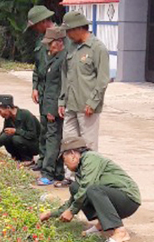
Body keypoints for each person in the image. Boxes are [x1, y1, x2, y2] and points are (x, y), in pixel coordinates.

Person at [41, 137, 138, 242]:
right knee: (75, 188)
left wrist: (72, 211)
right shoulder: (80, 168)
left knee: (92, 190)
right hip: (114, 199)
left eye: (64, 159)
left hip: (128, 199)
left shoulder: (91, 158)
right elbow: (75, 198)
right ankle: (102, 224)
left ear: (72, 154)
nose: (65, 164)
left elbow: (87, 188)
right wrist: (51, 214)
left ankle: (120, 232)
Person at [59, 11, 109, 154]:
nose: (67, 35)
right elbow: (65, 74)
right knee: (69, 142)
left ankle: (89, 175)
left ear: (79, 28)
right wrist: (62, 101)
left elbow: (103, 79)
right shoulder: (71, 47)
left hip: (87, 106)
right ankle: (70, 176)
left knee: (88, 145)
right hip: (70, 104)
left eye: (69, 31)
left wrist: (93, 102)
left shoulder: (97, 48)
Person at [26, 5, 56, 171]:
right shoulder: (40, 40)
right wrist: (35, 87)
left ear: (43, 22)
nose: (35, 30)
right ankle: (42, 160)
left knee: (53, 132)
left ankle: (51, 167)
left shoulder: (60, 37)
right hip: (43, 91)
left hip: (54, 91)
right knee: (44, 128)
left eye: (35, 25)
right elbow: (37, 67)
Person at [36, 26, 67, 186]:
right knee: (52, 138)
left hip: (54, 108)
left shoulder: (63, 60)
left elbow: (59, 88)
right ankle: (57, 172)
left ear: (59, 42)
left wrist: (52, 110)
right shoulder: (52, 57)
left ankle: (48, 173)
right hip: (47, 104)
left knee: (53, 140)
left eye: (51, 44)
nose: (48, 47)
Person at [0, 95, 40, 162]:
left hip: (35, 144)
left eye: (0, 111)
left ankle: (28, 159)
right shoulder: (8, 118)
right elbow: (3, 134)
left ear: (8, 108)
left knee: (16, 139)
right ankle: (17, 157)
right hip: (22, 141)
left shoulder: (26, 114)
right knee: (6, 136)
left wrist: (16, 131)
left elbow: (32, 135)